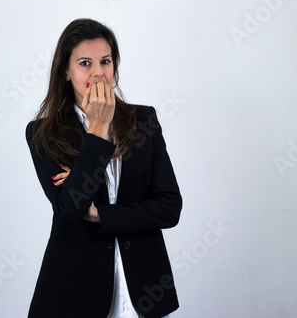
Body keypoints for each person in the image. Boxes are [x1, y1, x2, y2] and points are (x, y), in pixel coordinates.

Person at [25, 18, 182, 318]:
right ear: (66, 72)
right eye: (85, 63)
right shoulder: (43, 133)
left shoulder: (143, 120)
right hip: (76, 295)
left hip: (143, 290)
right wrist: (97, 130)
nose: (98, 73)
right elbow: (70, 208)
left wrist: (100, 213)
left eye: (105, 61)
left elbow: (169, 207)